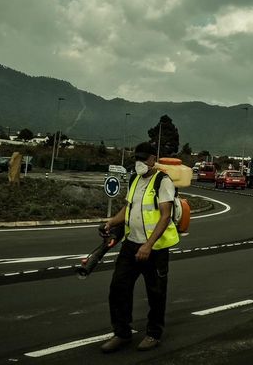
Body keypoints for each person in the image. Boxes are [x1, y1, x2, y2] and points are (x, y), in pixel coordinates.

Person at [100, 142, 180, 353]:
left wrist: (149, 244)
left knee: (156, 293)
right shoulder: (134, 179)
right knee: (118, 288)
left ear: (154, 159)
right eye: (138, 158)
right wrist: (111, 222)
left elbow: (165, 215)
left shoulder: (162, 181)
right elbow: (128, 208)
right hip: (131, 244)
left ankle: (154, 334)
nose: (140, 162)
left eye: (145, 158)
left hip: (154, 249)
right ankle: (122, 333)